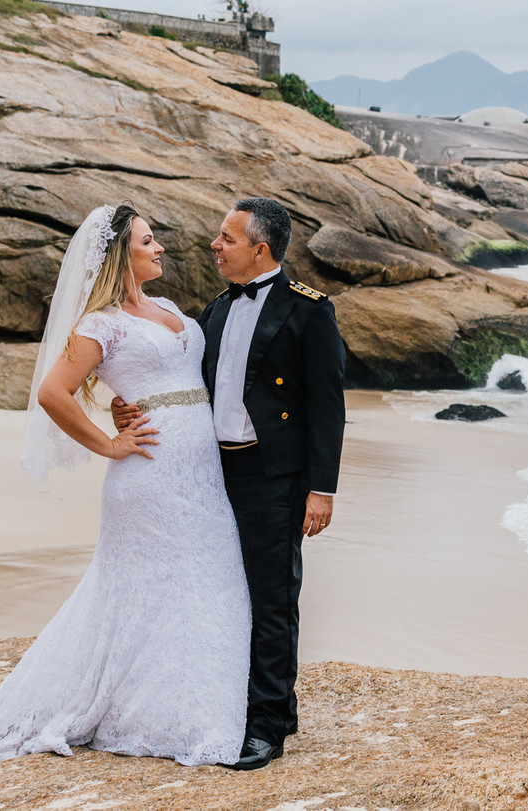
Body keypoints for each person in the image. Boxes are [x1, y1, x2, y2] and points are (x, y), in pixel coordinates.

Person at [0, 203, 252, 769]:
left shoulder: (170, 308)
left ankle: (195, 703)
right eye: (147, 241)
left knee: (209, 576)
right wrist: (108, 442)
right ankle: (169, 717)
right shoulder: (98, 323)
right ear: (119, 255)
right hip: (148, 474)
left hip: (201, 471)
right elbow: (54, 392)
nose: (159, 248)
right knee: (150, 587)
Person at [112, 197, 345, 770]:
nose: (214, 245)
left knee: (271, 599)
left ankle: (267, 727)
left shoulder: (308, 311)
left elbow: (328, 406)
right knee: (224, 592)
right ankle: (262, 705)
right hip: (210, 471)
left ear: (258, 248)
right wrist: (125, 408)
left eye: (226, 238)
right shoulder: (214, 310)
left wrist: (322, 488)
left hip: (273, 475)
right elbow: (178, 381)